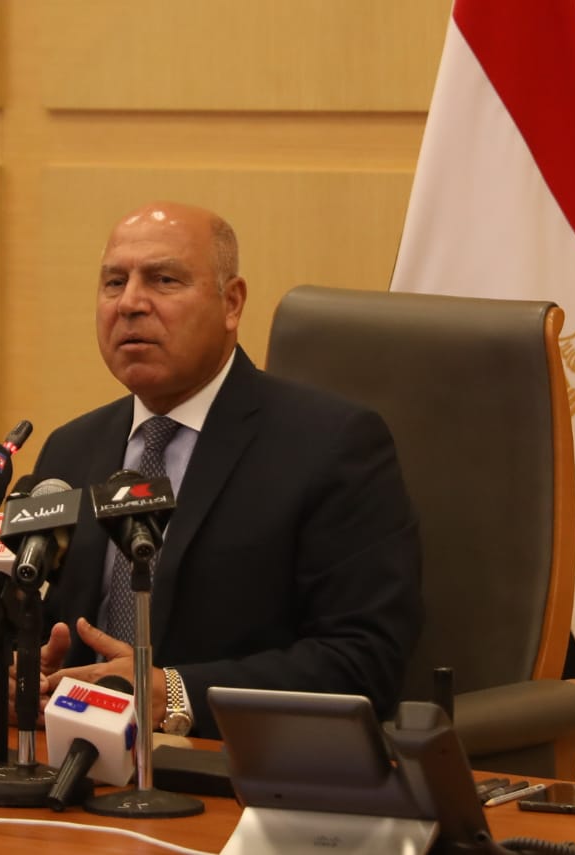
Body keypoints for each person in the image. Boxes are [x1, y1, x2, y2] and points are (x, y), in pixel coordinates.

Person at [26, 200, 422, 739]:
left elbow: (364, 660)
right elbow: (45, 626)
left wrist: (176, 692)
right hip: (71, 761)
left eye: (164, 280)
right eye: (114, 283)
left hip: (233, 766)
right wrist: (25, 676)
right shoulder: (70, 450)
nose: (130, 303)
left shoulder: (332, 445)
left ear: (231, 303)